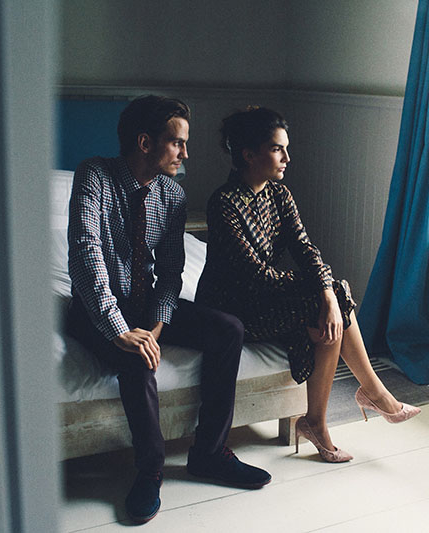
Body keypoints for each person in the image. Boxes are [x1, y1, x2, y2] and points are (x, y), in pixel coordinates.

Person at [65, 95, 271, 524]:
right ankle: (150, 469)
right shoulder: (94, 175)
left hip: (145, 307)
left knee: (229, 328)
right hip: (95, 307)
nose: (185, 153)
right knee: (135, 358)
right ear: (145, 142)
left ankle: (209, 452)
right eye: (177, 143)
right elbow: (86, 255)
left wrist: (156, 327)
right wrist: (120, 330)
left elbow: (172, 272)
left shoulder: (173, 195)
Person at [195, 107, 420, 463]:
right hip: (232, 306)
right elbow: (255, 274)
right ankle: (367, 397)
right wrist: (322, 291)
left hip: (264, 297)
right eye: (277, 149)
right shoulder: (224, 203)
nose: (287, 158)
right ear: (248, 154)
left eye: (286, 148)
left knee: (331, 304)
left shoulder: (279, 195)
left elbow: (304, 247)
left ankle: (325, 417)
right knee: (327, 301)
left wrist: (327, 292)